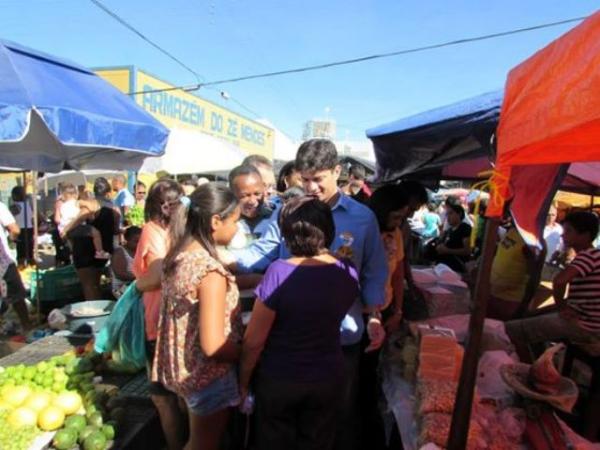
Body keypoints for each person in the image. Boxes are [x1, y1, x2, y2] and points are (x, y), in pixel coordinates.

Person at [231, 139, 387, 450]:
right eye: (305, 179)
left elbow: (374, 272)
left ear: (337, 172)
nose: (311, 187)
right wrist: (218, 262)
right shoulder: (288, 213)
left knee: (333, 424)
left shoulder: (362, 218)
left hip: (341, 341)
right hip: (288, 343)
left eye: (318, 178)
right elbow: (263, 251)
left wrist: (375, 317)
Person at [240, 196, 359, 450]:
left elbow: (253, 342)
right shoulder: (346, 270)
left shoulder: (279, 272)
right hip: (329, 376)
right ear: (328, 229)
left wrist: (242, 383)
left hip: (281, 378)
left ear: (286, 233)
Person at [154, 183, 242, 450]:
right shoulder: (209, 273)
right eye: (235, 221)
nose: (237, 229)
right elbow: (213, 344)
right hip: (209, 376)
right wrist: (246, 352)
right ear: (216, 221)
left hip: (186, 373)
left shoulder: (178, 257)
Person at [132, 178, 186, 450]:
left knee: (163, 399)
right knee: (185, 393)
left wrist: (135, 286)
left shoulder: (152, 230)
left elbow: (154, 276)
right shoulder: (187, 231)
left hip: (159, 323)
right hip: (184, 321)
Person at [506, 212, 600, 361]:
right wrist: (559, 306)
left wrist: (561, 307)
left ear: (586, 235)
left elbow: (559, 281)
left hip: (584, 326)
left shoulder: (588, 255)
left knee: (510, 330)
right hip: (587, 321)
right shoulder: (594, 256)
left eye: (569, 231)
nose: (563, 235)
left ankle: (529, 367)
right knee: (532, 318)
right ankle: (537, 361)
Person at [70, 178, 120, 300]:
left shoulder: (90, 205)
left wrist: (66, 229)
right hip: (105, 248)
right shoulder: (115, 208)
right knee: (96, 284)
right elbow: (115, 230)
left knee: (88, 285)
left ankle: (92, 311)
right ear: (108, 192)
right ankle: (98, 309)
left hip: (86, 249)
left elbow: (77, 222)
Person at [488, 224, 545, 321]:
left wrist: (524, 306)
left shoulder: (533, 241)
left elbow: (534, 276)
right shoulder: (512, 231)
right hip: (492, 294)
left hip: (511, 301)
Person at [227, 165, 275, 249]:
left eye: (257, 194)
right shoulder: (224, 225)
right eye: (245, 196)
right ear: (231, 194)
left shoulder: (275, 216)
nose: (252, 201)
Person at [59, 184, 111, 260]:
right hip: (76, 226)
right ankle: (99, 252)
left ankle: (73, 256)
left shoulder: (63, 205)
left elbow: (59, 218)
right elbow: (91, 207)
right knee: (96, 233)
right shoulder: (76, 202)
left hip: (63, 228)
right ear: (76, 195)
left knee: (74, 246)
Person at [0, 200, 30, 330]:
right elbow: (15, 229)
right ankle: (27, 327)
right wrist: (11, 239)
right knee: (17, 296)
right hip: (3, 261)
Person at [433, 198, 472, 273]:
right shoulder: (449, 230)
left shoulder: (465, 228)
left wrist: (447, 250)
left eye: (451, 213)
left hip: (454, 269)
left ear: (459, 214)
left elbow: (467, 251)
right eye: (447, 214)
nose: (448, 217)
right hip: (442, 267)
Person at [110, 226, 141, 298]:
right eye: (136, 241)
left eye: (141, 241)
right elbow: (120, 274)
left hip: (136, 283)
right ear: (127, 239)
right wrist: (140, 277)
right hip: (121, 288)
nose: (139, 244)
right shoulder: (120, 252)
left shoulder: (140, 251)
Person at [10, 186, 35, 266]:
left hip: (20, 229)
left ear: (15, 196)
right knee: (29, 248)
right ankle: (31, 264)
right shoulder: (29, 204)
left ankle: (21, 266)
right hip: (30, 228)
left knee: (20, 250)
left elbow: (9, 218)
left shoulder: (15, 206)